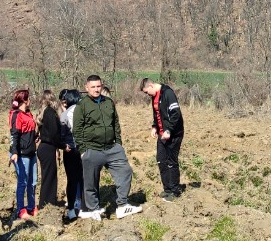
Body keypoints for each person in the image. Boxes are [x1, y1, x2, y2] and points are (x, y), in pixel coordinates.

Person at [73, 75, 141, 220]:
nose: (96, 89)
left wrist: (119, 144)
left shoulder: (109, 103)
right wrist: (83, 151)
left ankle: (122, 205)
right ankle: (93, 209)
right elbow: (77, 130)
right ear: (87, 88)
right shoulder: (82, 105)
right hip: (92, 149)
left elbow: (116, 124)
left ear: (102, 86)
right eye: (93, 87)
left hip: (112, 148)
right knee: (90, 182)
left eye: (98, 86)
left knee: (125, 171)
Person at [140, 78, 185, 201]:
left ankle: (175, 191)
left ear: (151, 85)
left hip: (174, 134)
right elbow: (157, 113)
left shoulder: (168, 93)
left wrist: (169, 130)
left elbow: (176, 113)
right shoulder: (154, 97)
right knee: (161, 160)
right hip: (162, 134)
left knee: (171, 161)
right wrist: (155, 126)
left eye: (146, 92)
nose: (146, 94)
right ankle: (167, 189)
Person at [10, 89, 39, 219]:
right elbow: (15, 135)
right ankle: (21, 209)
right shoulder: (16, 115)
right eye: (29, 99)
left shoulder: (28, 113)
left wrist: (35, 137)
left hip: (32, 152)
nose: (31, 101)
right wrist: (15, 152)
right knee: (23, 181)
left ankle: (32, 207)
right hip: (22, 154)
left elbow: (31, 131)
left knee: (33, 181)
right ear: (25, 100)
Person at [58, 88, 84, 221]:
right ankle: (84, 205)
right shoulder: (84, 112)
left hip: (70, 150)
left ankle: (72, 209)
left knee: (71, 180)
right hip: (84, 149)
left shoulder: (65, 115)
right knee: (83, 177)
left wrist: (62, 145)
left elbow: (61, 135)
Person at [36, 89, 64, 210]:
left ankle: (47, 203)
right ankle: (47, 205)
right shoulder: (50, 113)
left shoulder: (43, 113)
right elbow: (54, 134)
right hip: (48, 148)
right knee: (50, 177)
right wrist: (62, 146)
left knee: (47, 176)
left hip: (44, 147)